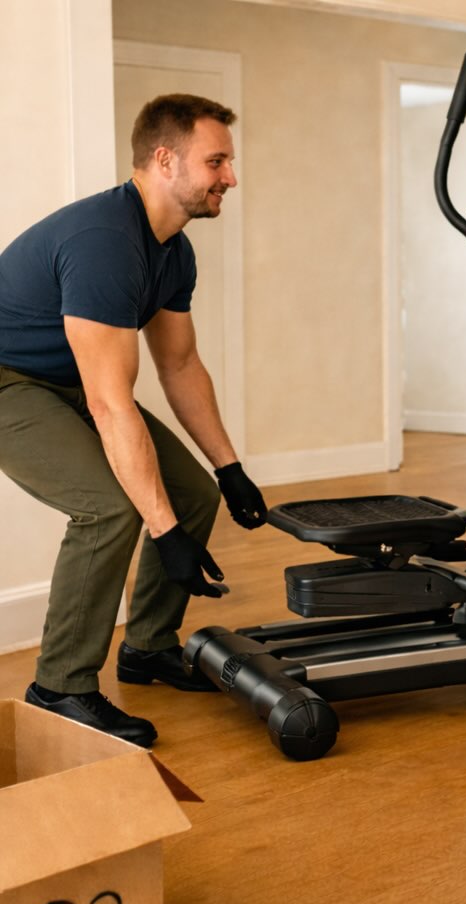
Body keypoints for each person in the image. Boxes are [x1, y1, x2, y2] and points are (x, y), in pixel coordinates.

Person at [0, 94, 267, 747]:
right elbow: (110, 403)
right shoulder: (105, 243)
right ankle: (59, 686)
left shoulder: (173, 250)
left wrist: (228, 469)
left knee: (192, 492)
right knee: (109, 507)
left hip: (68, 382)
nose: (230, 176)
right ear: (165, 159)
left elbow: (179, 366)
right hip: (9, 382)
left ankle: (147, 648)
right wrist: (164, 533)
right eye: (217, 160)